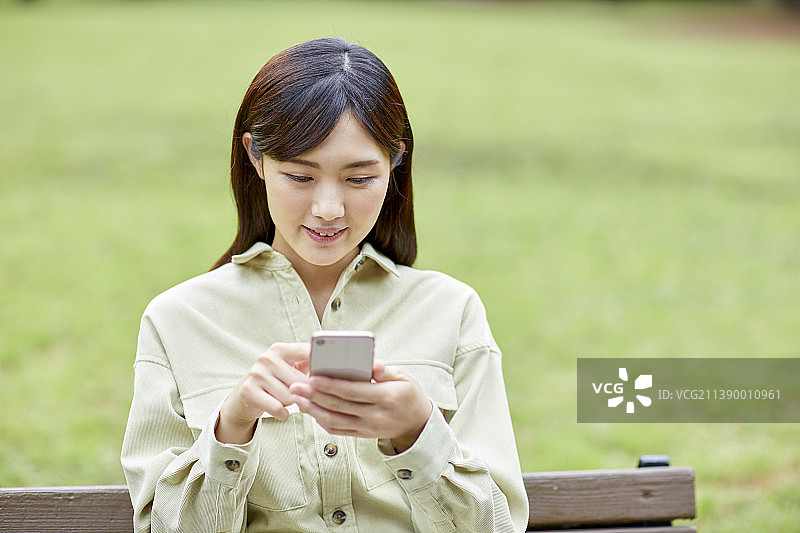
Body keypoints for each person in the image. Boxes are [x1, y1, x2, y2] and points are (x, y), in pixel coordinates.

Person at [121, 37, 528, 533]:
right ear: (256, 158)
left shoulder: (451, 310)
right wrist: (233, 425)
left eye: (359, 179)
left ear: (395, 161)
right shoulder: (178, 320)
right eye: (300, 176)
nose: (328, 209)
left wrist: (417, 433)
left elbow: (499, 525)